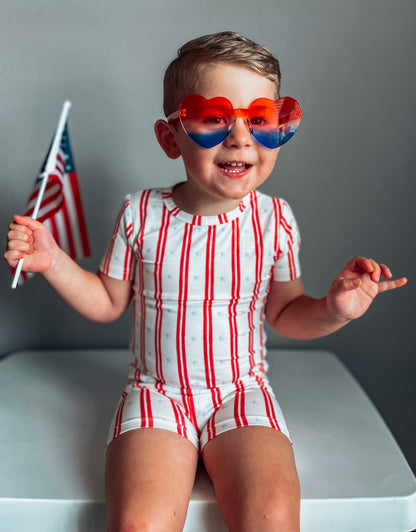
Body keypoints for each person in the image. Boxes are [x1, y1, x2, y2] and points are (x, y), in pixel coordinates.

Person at [4, 31, 407, 532]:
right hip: (157, 392)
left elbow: (285, 313)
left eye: (259, 119)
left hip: (241, 391)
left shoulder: (275, 220)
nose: (239, 137)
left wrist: (333, 309)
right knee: (140, 523)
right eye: (214, 118)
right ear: (170, 137)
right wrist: (53, 262)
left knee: (272, 516)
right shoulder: (139, 213)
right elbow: (107, 301)